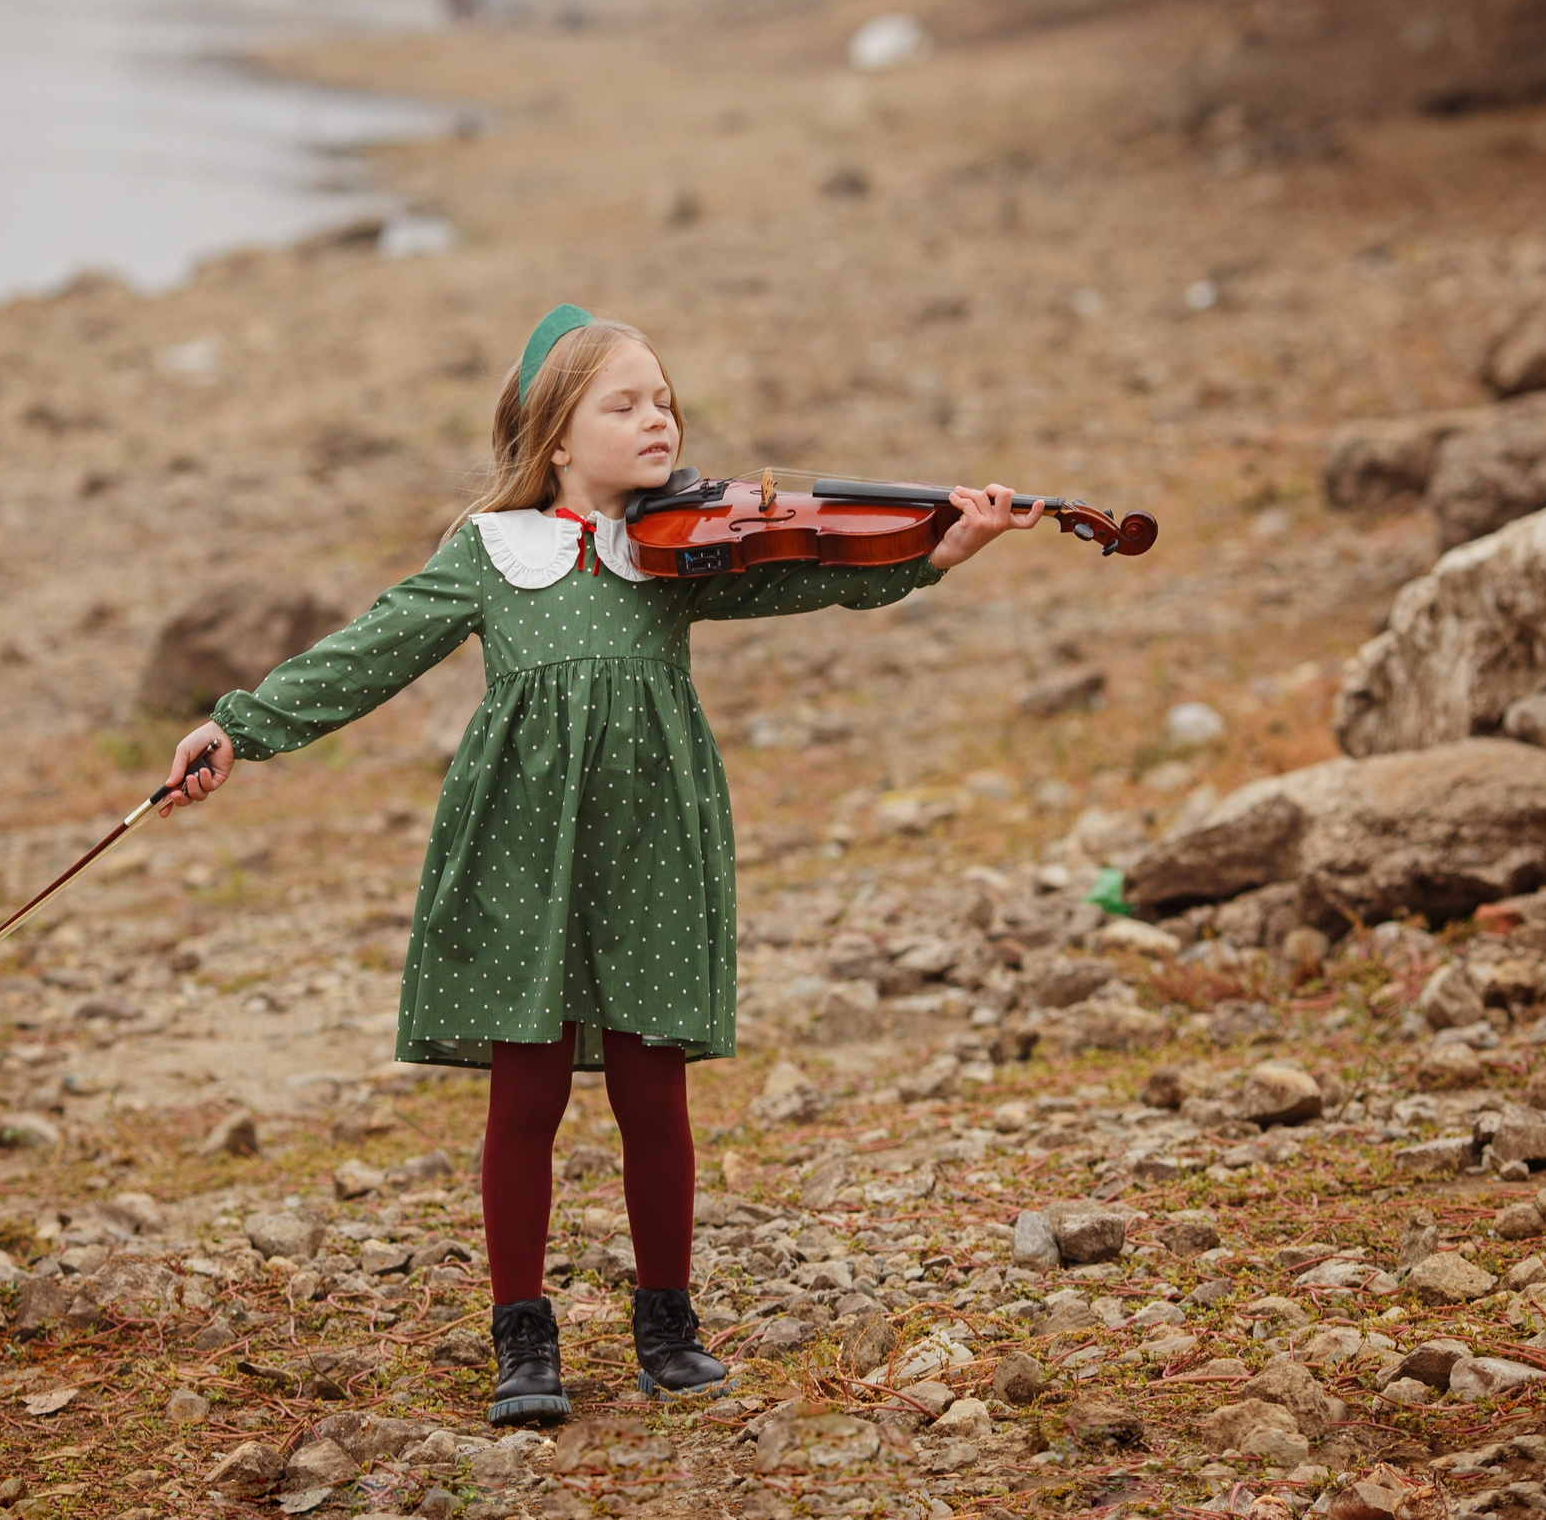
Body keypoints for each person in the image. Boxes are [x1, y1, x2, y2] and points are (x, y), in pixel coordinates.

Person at [154, 304, 1038, 1426]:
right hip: (522, 845)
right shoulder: (488, 553)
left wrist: (934, 549)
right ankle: (522, 1337)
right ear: (557, 438)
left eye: (663, 400)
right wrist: (242, 726)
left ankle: (667, 1322)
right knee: (524, 1093)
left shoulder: (678, 547)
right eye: (624, 404)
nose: (657, 419)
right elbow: (370, 649)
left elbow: (811, 566)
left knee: (650, 1089)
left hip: (652, 842)